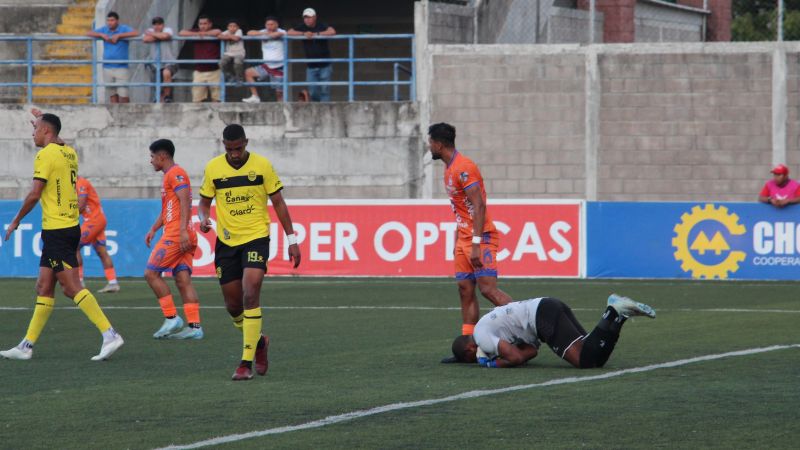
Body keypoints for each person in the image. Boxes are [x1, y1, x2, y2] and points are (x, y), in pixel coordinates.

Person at [0, 112, 123, 361]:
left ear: (46, 131)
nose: (32, 133)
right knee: (44, 286)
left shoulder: (45, 155)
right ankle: (26, 345)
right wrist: (44, 121)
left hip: (57, 230)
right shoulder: (69, 152)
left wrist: (15, 220)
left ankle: (110, 334)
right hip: (67, 227)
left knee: (70, 287)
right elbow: (58, 140)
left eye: (35, 129)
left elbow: (35, 194)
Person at [198, 124, 301, 380]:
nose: (234, 153)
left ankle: (245, 363)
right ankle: (260, 342)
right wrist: (203, 218)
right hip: (226, 241)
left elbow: (278, 202)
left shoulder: (262, 165)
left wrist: (292, 239)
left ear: (247, 142)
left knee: (250, 292)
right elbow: (204, 201)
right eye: (229, 149)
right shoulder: (213, 168)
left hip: (256, 237)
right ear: (224, 145)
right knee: (233, 306)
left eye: (239, 148)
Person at [428, 123, 513, 363]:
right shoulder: (449, 169)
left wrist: (475, 243)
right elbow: (462, 210)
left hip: (481, 237)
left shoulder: (464, 168)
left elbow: (479, 205)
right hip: (464, 239)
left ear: (439, 144)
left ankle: (526, 324)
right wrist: (458, 239)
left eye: (430, 142)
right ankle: (470, 346)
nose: (429, 146)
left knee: (487, 289)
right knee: (465, 290)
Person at [450, 294, 656, 368]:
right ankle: (618, 317)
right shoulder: (488, 329)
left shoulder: (481, 337)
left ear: (470, 349)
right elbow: (531, 352)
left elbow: (515, 357)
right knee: (594, 359)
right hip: (547, 306)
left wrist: (493, 364)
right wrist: (513, 355)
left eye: (472, 360)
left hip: (542, 317)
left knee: (583, 361)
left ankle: (612, 311)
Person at [144, 139, 203, 340]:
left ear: (163, 156)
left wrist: (183, 229)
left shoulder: (175, 174)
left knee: (151, 273)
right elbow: (170, 208)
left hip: (177, 235)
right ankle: (195, 328)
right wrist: (153, 228)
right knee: (182, 279)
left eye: (152, 156)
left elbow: (185, 199)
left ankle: (171, 318)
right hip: (179, 232)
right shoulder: (169, 176)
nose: (150, 160)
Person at [76, 176, 120, 293]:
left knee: (73, 246)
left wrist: (67, 216)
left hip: (93, 220)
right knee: (101, 251)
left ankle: (79, 282)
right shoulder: (75, 184)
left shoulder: (80, 183)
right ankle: (113, 282)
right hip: (96, 219)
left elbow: (82, 204)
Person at [86, 11, 138, 104]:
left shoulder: (123, 28)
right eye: (108, 20)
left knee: (123, 95)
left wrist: (119, 36)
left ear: (117, 21)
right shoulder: (105, 29)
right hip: (107, 67)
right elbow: (89, 33)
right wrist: (101, 35)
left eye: (112, 20)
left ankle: (125, 114)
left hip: (121, 67)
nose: (110, 22)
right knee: (112, 94)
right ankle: (115, 116)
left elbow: (136, 33)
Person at [287, 8, 336, 102]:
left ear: (315, 17)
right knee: (313, 91)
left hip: (325, 65)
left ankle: (324, 111)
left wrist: (316, 34)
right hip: (311, 66)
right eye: (305, 17)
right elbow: (289, 32)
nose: (307, 19)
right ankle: (317, 109)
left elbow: (332, 31)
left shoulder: (321, 25)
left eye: (309, 17)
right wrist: (303, 33)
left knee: (325, 90)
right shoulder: (302, 27)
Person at [243, 16, 286, 103]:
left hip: (278, 67)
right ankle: (255, 97)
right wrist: (263, 34)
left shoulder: (281, 31)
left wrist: (266, 35)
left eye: (272, 24)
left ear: (277, 24)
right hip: (266, 66)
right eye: (267, 24)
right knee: (248, 73)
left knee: (279, 94)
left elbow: (278, 34)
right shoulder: (263, 32)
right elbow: (249, 33)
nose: (269, 26)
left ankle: (282, 111)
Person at [179, 15, 222, 103]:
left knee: (217, 100)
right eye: (200, 24)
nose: (202, 26)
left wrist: (204, 34)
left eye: (205, 24)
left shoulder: (214, 31)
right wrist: (198, 34)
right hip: (199, 71)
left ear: (210, 24)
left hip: (215, 70)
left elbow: (217, 32)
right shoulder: (196, 32)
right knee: (197, 100)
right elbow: (181, 32)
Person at [142, 16, 178, 103]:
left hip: (169, 61)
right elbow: (145, 39)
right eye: (155, 24)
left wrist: (153, 35)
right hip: (155, 64)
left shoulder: (167, 29)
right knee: (157, 85)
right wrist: (159, 36)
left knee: (166, 73)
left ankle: (167, 96)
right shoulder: (150, 31)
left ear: (163, 25)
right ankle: (159, 99)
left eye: (159, 24)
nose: (157, 26)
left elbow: (166, 36)